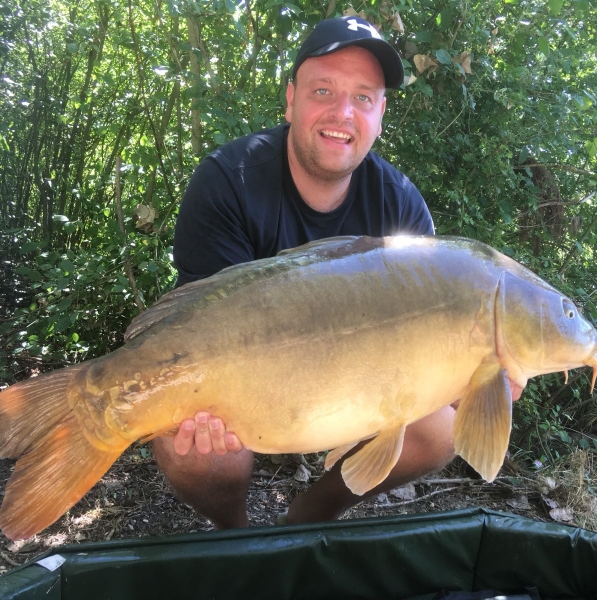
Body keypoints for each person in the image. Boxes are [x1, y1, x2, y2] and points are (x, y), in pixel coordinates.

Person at [153, 16, 457, 529]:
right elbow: (202, 331)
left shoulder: (401, 206)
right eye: (323, 90)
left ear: (381, 114)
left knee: (440, 430)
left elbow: (426, 347)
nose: (343, 112)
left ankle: (312, 516)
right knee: (197, 446)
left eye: (364, 97)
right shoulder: (229, 179)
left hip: (358, 385)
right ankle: (237, 533)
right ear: (291, 99)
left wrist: (473, 374)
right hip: (241, 378)